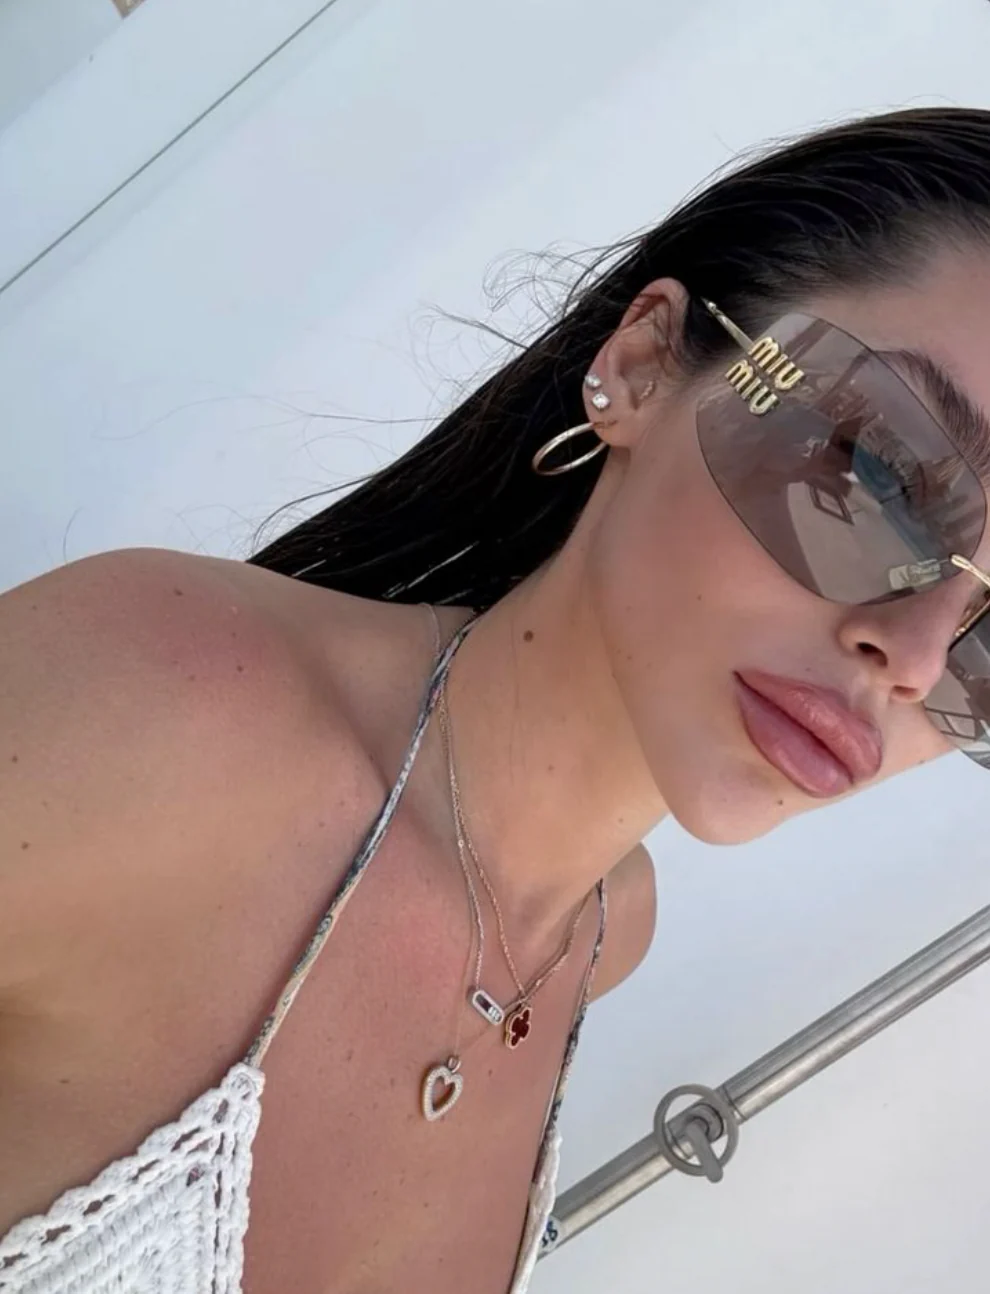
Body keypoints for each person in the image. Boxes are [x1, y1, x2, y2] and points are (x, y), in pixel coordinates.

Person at [3, 105, 990, 1294]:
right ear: (641, 366)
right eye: (879, 471)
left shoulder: (604, 937)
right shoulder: (166, 709)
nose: (916, 656)